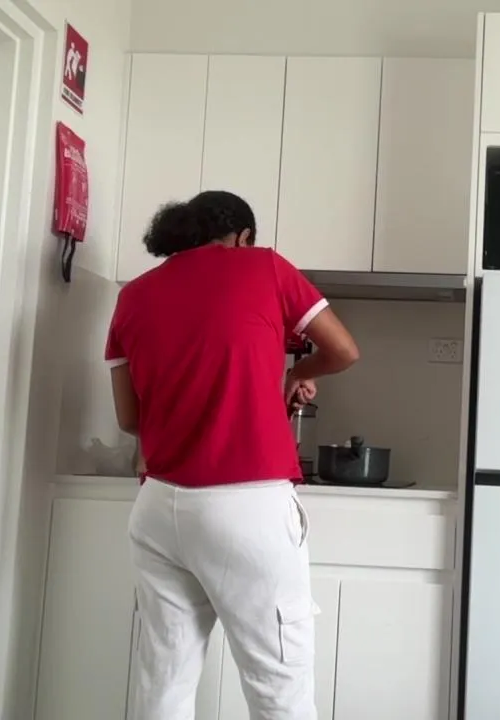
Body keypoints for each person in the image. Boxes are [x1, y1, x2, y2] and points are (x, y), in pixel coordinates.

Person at [104, 190, 359, 720]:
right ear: (243, 237)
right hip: (248, 507)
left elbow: (129, 418)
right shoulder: (264, 267)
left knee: (164, 679)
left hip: (159, 509)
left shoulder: (134, 295)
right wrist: (296, 373)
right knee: (279, 686)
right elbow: (343, 350)